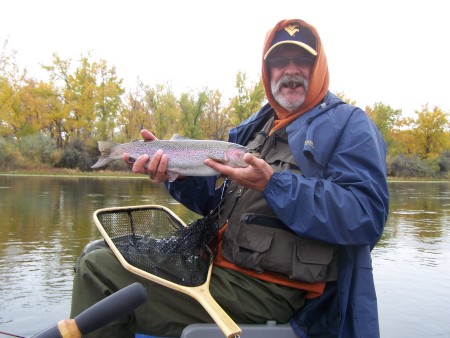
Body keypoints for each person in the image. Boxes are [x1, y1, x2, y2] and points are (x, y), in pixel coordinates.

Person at [71, 18, 389, 338]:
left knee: (99, 271)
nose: (290, 70)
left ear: (319, 66)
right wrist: (176, 175)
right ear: (267, 71)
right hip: (214, 265)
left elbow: (365, 216)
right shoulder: (257, 129)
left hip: (269, 291)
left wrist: (273, 183)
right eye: (279, 62)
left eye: (303, 60)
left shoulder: (349, 125)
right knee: (97, 251)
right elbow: (215, 201)